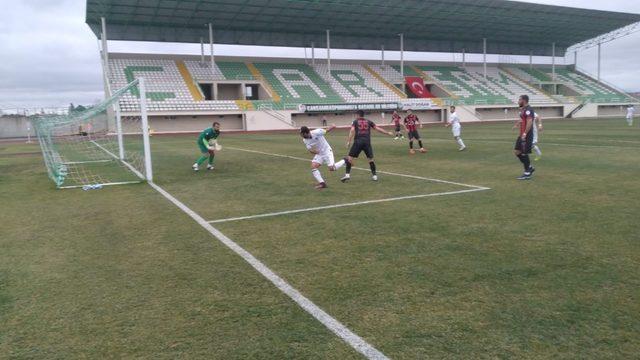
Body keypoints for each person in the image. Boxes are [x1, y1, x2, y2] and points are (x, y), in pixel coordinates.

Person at [340, 110, 393, 182]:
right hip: (367, 142)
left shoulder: (355, 121)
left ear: (358, 115)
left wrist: (349, 141)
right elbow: (377, 129)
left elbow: (352, 131)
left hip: (358, 142)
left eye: (356, 115)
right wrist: (387, 133)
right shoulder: (369, 121)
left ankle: (347, 175)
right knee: (370, 159)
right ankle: (374, 176)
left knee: (349, 158)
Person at [300, 124, 345, 189]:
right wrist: (315, 152)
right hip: (320, 154)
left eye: (302, 134)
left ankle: (345, 160)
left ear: (307, 132)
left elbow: (326, 131)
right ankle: (322, 184)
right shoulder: (305, 140)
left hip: (327, 151)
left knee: (332, 168)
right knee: (313, 166)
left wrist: (332, 126)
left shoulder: (317, 132)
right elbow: (310, 150)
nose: (302, 136)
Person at [514, 95, 536, 180]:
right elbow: (523, 120)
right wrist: (517, 124)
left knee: (524, 153)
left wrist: (525, 134)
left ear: (524, 100)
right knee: (517, 152)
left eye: (519, 100)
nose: (518, 101)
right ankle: (529, 167)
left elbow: (529, 122)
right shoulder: (523, 110)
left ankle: (527, 173)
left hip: (526, 135)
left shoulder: (529, 110)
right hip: (521, 134)